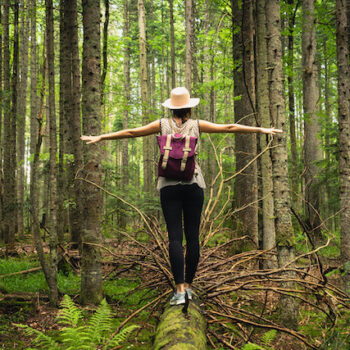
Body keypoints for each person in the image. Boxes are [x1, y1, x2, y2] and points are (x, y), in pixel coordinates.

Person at [81, 87, 282, 305]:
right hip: (193, 184)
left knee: (175, 238)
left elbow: (131, 132)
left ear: (171, 107)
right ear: (189, 106)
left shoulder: (160, 125)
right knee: (193, 237)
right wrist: (261, 130)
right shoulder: (197, 125)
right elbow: (229, 127)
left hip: (169, 186)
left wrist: (101, 137)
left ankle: (178, 291)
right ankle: (188, 287)